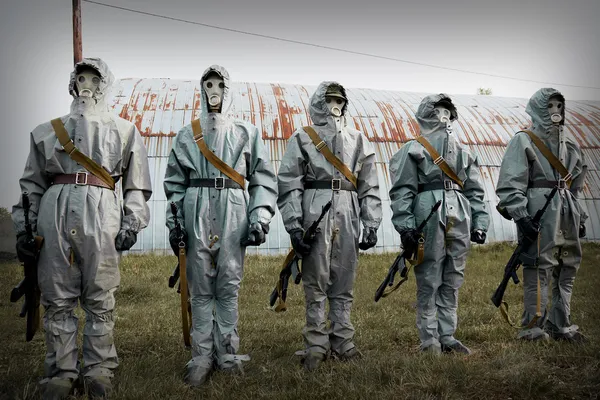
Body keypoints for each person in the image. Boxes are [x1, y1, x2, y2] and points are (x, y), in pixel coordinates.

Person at [12, 57, 152, 399]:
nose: (86, 83)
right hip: (54, 210)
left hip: (102, 210)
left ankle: (99, 369)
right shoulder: (46, 131)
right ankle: (61, 372)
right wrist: (25, 229)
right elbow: (31, 185)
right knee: (57, 294)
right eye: (81, 77)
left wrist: (132, 221)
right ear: (72, 83)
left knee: (100, 294)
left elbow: (136, 185)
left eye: (94, 77)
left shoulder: (124, 130)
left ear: (106, 84)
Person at [163, 65, 278, 386]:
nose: (214, 91)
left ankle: (228, 352)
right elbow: (174, 183)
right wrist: (175, 222)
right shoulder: (187, 135)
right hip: (195, 206)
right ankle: (200, 357)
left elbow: (263, 180)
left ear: (229, 91)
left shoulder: (247, 133)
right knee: (199, 288)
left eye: (220, 85)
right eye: (208, 84)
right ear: (201, 90)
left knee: (227, 285)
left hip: (233, 208)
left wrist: (260, 217)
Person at [277, 81, 382, 371]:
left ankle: (343, 340)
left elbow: (369, 182)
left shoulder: (358, 139)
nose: (335, 105)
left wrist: (371, 221)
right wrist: (295, 226)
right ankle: (316, 343)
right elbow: (289, 182)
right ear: (320, 103)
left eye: (339, 100)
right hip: (316, 208)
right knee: (315, 279)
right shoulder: (302, 137)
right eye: (330, 100)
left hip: (348, 209)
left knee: (344, 278)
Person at [388, 93, 489, 355]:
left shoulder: (465, 152)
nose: (443, 116)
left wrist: (480, 221)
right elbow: (402, 191)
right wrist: (406, 225)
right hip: (428, 213)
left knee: (453, 276)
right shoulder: (413, 149)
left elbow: (475, 190)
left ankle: (448, 335)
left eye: (447, 111)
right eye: (438, 111)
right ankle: (429, 339)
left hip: (459, 213)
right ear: (426, 115)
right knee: (430, 276)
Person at [496, 88, 588, 342]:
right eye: (549, 106)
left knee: (567, 264)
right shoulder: (523, 141)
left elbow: (577, 184)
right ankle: (534, 326)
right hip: (539, 210)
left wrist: (580, 216)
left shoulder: (571, 144)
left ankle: (561, 324)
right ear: (537, 109)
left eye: (559, 105)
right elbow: (511, 182)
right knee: (538, 266)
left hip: (567, 208)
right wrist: (521, 216)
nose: (555, 111)